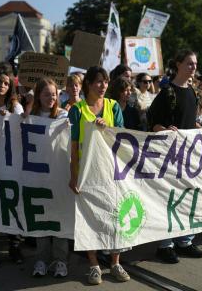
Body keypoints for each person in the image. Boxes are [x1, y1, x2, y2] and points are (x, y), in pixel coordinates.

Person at [68, 66, 130, 285]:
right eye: (98, 81)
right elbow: (74, 147)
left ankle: (115, 262)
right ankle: (94, 264)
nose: (103, 85)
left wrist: (107, 130)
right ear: (88, 85)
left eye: (105, 81)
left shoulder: (113, 108)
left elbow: (123, 139)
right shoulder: (77, 110)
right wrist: (73, 175)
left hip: (111, 173)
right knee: (89, 219)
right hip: (88, 174)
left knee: (116, 217)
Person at [147, 50, 202, 264]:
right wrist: (164, 129)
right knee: (169, 199)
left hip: (189, 156)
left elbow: (190, 122)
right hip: (169, 157)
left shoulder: (192, 92)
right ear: (178, 65)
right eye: (189, 63)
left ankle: (185, 241)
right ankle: (165, 245)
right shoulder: (167, 92)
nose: (193, 67)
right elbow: (152, 123)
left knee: (189, 197)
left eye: (195, 64)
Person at [30, 78, 69, 278]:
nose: (51, 98)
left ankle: (60, 260)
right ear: (38, 96)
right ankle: (41, 259)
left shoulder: (64, 115)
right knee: (42, 220)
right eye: (47, 94)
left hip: (59, 176)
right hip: (38, 177)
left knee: (59, 219)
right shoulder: (31, 116)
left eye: (54, 94)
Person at [0, 72, 24, 268]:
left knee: (11, 205)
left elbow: (23, 127)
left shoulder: (15, 106)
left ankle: (14, 247)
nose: (2, 85)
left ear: (10, 87)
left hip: (10, 163)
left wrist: (8, 118)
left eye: (6, 83)